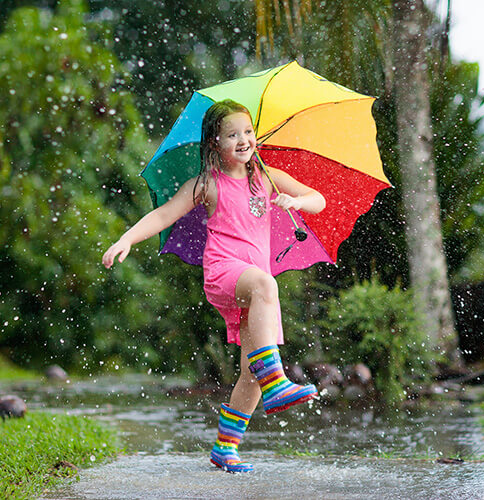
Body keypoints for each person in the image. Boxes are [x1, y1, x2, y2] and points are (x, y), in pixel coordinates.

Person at [102, 99, 326, 473]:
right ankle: (278, 382)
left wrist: (296, 199)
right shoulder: (207, 184)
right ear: (214, 144)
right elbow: (164, 213)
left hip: (256, 290)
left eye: (248, 132)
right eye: (232, 134)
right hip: (226, 273)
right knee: (265, 286)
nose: (243, 140)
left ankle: (226, 447)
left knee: (250, 374)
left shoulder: (265, 178)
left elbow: (317, 200)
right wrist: (126, 239)